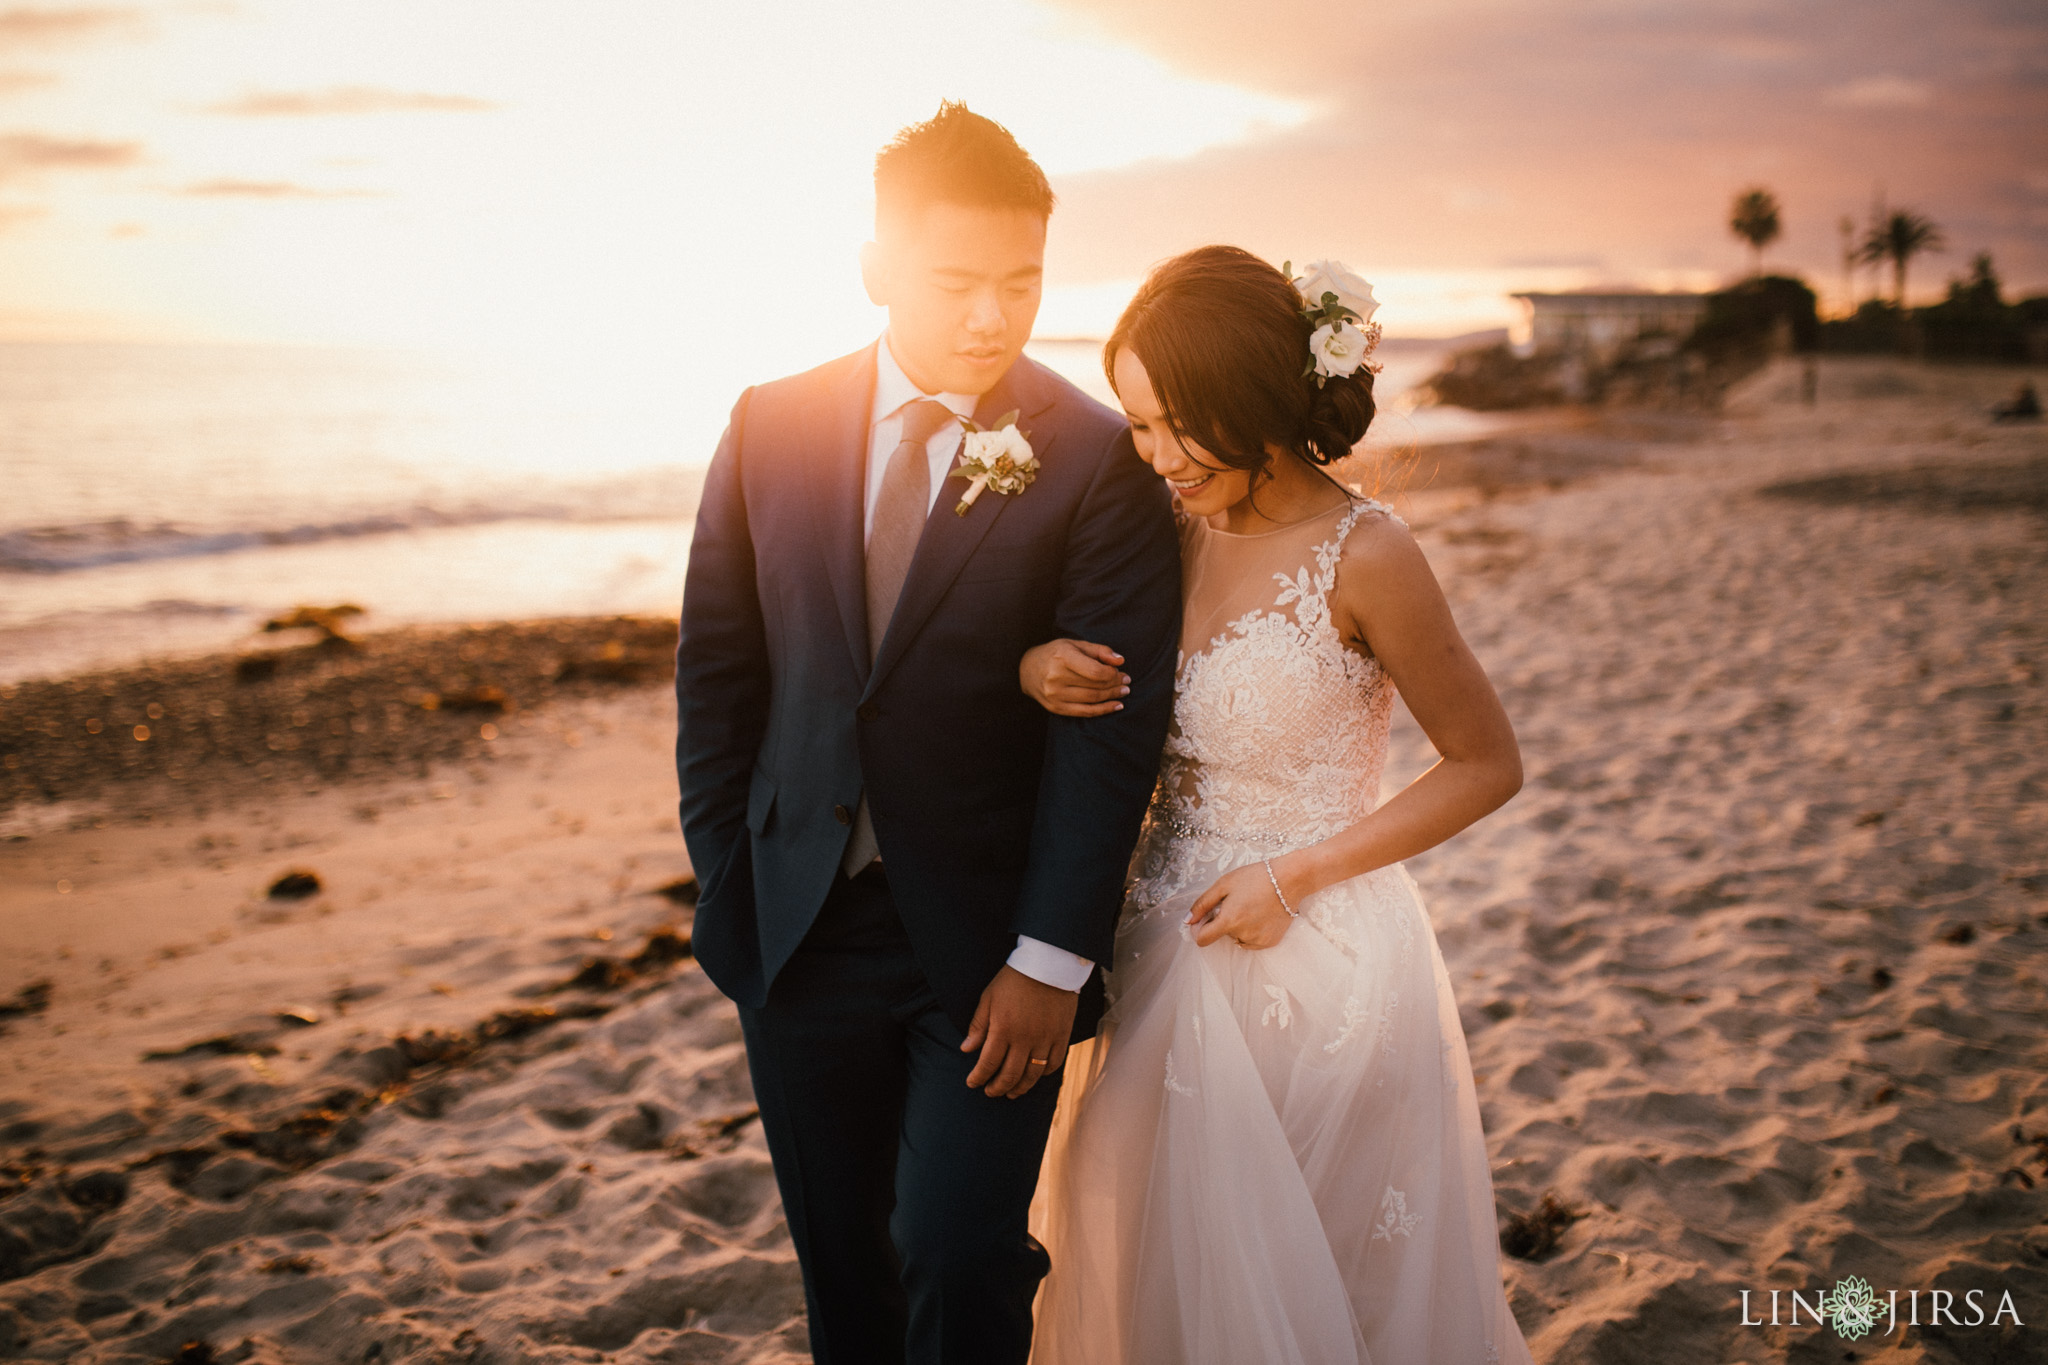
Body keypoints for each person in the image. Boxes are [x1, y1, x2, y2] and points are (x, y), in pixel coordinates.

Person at [673, 103, 1180, 1365]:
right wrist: (730, 876)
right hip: (795, 932)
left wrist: (1053, 959)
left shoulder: (1095, 459)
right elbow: (720, 675)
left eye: (1021, 282)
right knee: (844, 1276)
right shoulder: (767, 425)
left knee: (958, 1254)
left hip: (988, 949)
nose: (991, 316)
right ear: (876, 268)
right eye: (957, 282)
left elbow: (1111, 732)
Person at [1017, 246, 1536, 1364]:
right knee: (1154, 1277)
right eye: (1136, 425)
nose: (1153, 458)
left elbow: (1484, 764)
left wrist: (1289, 877)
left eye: (1175, 427)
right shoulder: (1162, 531)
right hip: (1154, 944)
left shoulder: (1369, 552)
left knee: (1319, 1288)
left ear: (1251, 401)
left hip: (1317, 955)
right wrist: (1033, 667)